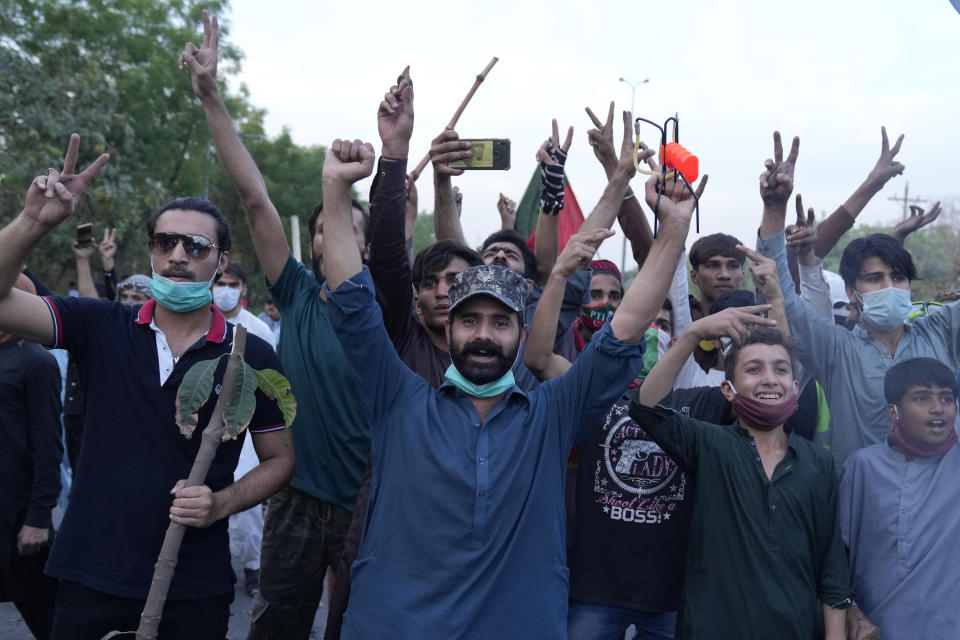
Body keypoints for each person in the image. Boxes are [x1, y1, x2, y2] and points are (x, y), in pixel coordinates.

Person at [320, 108, 693, 636]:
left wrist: (673, 228)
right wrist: (336, 190)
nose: (483, 335)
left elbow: (626, 328)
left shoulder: (552, 413)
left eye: (500, 322)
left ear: (522, 334)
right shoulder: (398, 399)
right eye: (469, 319)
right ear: (449, 329)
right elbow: (353, 304)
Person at [0, 134, 294, 639]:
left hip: (192, 583)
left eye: (197, 246)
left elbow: (281, 460)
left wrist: (220, 503)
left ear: (220, 262)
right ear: (153, 252)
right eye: (166, 242)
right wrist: (34, 223)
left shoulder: (250, 354)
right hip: (89, 573)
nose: (179, 254)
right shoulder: (100, 324)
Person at [180, 13, 368, 637]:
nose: (328, 237)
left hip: (369, 502)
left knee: (361, 623)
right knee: (275, 625)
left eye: (344, 229)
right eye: (321, 230)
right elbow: (256, 198)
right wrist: (211, 95)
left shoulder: (385, 317)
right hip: (295, 498)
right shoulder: (298, 296)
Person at [631, 325, 853, 639]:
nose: (770, 378)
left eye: (781, 369)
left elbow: (832, 569)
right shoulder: (708, 444)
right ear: (728, 390)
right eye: (753, 369)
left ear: (795, 385)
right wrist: (694, 334)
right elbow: (646, 408)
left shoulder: (819, 463)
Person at [755, 130, 960, 463]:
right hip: (861, 506)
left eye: (899, 278)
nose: (889, 287)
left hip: (944, 506)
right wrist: (774, 209)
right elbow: (776, 291)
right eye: (874, 279)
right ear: (851, 292)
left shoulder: (940, 331)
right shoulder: (836, 350)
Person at [841, 357, 960, 639]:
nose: (938, 409)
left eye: (947, 398)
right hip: (878, 627)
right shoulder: (863, 466)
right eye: (921, 398)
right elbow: (836, 554)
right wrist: (848, 607)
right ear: (893, 412)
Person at [0, 274, 62, 640]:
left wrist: (38, 517)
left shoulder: (35, 360)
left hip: (20, 517)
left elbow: (48, 444)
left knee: (50, 619)